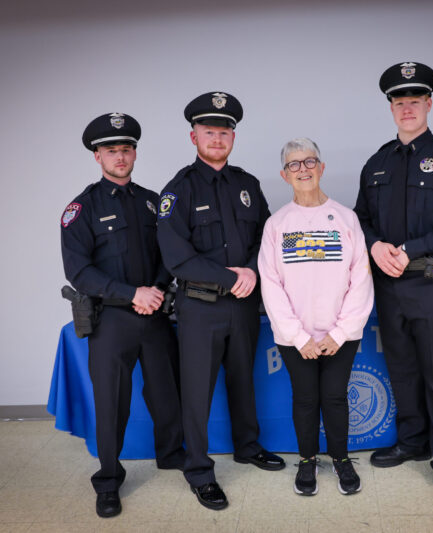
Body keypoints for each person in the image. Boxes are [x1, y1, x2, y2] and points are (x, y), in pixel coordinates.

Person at [353, 62, 433, 507]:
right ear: (391, 107)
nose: (406, 108)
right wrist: (373, 247)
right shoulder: (377, 163)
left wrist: (410, 248)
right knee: (404, 370)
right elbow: (361, 221)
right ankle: (413, 441)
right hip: (389, 288)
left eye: (414, 100)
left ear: (429, 103)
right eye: (398, 101)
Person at [156, 92, 285, 511]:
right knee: (197, 393)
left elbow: (267, 237)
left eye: (224, 131)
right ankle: (199, 470)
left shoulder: (247, 184)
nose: (217, 137)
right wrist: (234, 276)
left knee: (243, 380)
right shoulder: (177, 191)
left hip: (244, 304)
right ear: (193, 136)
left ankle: (248, 447)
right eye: (209, 131)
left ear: (233, 136)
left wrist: (250, 271)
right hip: (201, 307)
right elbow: (178, 258)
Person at [60, 113, 184, 518]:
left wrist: (158, 291)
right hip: (112, 319)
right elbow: (79, 271)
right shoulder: (82, 209)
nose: (120, 156)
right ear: (97, 156)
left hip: (155, 314)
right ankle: (110, 479)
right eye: (111, 150)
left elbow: (170, 255)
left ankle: (170, 454)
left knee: (166, 392)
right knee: (112, 402)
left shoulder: (152, 201)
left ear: (134, 153)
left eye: (126, 149)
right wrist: (133, 294)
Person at [258, 138, 374, 496]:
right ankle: (307, 459)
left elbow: (361, 278)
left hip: (340, 334)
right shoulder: (277, 224)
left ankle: (340, 458)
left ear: (321, 168)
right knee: (306, 398)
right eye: (294, 164)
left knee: (336, 397)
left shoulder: (346, 218)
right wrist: (298, 336)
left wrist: (339, 333)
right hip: (297, 338)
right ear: (284, 174)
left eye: (310, 162)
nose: (303, 169)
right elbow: (271, 285)